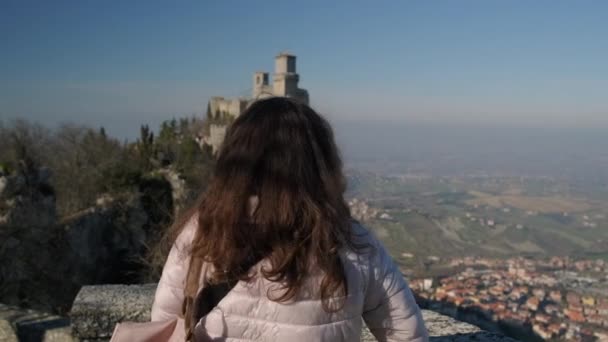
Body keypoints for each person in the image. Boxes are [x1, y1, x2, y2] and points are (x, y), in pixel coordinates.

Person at [151, 97, 428, 341]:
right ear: (321, 165)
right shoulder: (351, 242)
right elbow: (407, 335)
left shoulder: (201, 232)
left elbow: (164, 327)